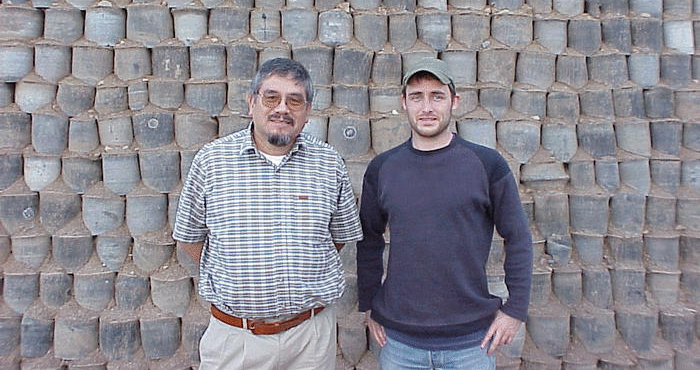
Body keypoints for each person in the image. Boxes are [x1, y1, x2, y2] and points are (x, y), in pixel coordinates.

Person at [173, 57, 363, 370]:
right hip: (236, 340)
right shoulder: (212, 162)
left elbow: (337, 238)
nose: (282, 109)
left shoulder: (329, 164)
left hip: (310, 340)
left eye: (295, 100)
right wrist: (233, 273)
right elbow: (189, 239)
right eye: (271, 98)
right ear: (252, 103)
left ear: (307, 111)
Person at [356, 57, 533, 370]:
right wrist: (369, 302)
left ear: (454, 101)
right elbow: (369, 239)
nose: (426, 107)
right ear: (404, 103)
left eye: (437, 96)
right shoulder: (383, 169)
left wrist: (516, 309)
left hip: (470, 344)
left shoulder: (487, 165)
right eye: (417, 97)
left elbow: (517, 237)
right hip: (400, 345)